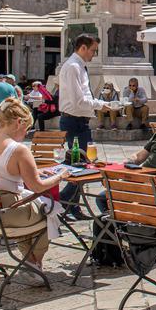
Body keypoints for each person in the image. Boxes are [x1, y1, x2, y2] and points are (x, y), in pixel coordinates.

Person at [0, 98, 69, 269]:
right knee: (49, 210)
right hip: (4, 212)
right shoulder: (18, 149)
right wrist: (61, 175)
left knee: (31, 209)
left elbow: (0, 170)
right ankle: (34, 263)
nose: (25, 134)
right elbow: (38, 187)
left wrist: (32, 171)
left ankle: (30, 263)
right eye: (26, 128)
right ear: (18, 123)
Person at [57, 34, 106, 217]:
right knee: (81, 165)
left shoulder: (79, 66)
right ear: (83, 48)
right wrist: (101, 104)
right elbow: (78, 101)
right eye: (93, 50)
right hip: (74, 120)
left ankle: (73, 206)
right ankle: (62, 201)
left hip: (79, 120)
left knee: (79, 165)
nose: (94, 54)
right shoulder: (72, 67)